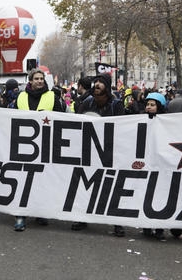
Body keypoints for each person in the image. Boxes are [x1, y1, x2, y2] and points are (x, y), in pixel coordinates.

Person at [71, 73, 126, 235]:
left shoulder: (116, 105)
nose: (97, 85)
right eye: (96, 82)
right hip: (90, 150)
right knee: (86, 183)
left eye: (101, 83)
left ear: (107, 87)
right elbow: (78, 123)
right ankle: (82, 217)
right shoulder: (86, 103)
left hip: (110, 150)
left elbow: (122, 126)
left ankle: (117, 221)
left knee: (112, 185)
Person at [14, 69, 63, 231]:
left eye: (42, 78)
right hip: (23, 146)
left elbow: (62, 119)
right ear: (30, 81)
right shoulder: (21, 97)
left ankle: (40, 212)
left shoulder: (52, 97)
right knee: (23, 181)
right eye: (36, 78)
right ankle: (20, 215)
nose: (40, 81)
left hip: (45, 146)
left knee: (42, 181)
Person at [142, 92, 167, 240]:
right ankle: (146, 225)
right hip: (147, 162)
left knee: (160, 195)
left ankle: (159, 227)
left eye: (153, 105)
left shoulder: (166, 122)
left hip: (160, 164)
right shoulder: (141, 119)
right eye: (147, 104)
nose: (149, 107)